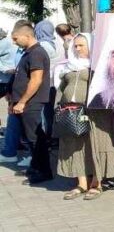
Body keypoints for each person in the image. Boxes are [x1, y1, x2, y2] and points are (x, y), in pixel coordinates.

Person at [56, 34, 114, 200]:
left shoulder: (99, 66)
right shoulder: (69, 67)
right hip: (72, 111)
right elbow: (62, 88)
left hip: (95, 114)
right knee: (76, 146)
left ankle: (97, 183)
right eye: (75, 46)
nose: (77, 49)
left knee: (96, 144)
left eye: (81, 45)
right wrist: (60, 104)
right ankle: (81, 183)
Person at [6, 23, 53, 184]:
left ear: (27, 36)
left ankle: (43, 171)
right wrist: (14, 100)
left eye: (15, 38)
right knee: (28, 137)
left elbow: (36, 80)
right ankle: (34, 166)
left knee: (35, 138)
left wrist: (23, 101)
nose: (14, 42)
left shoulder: (37, 53)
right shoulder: (28, 53)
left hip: (32, 102)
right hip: (22, 103)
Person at [0, 27, 19, 163]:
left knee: (13, 113)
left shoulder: (3, 43)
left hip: (4, 79)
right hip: (11, 80)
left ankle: (10, 150)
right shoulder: (10, 43)